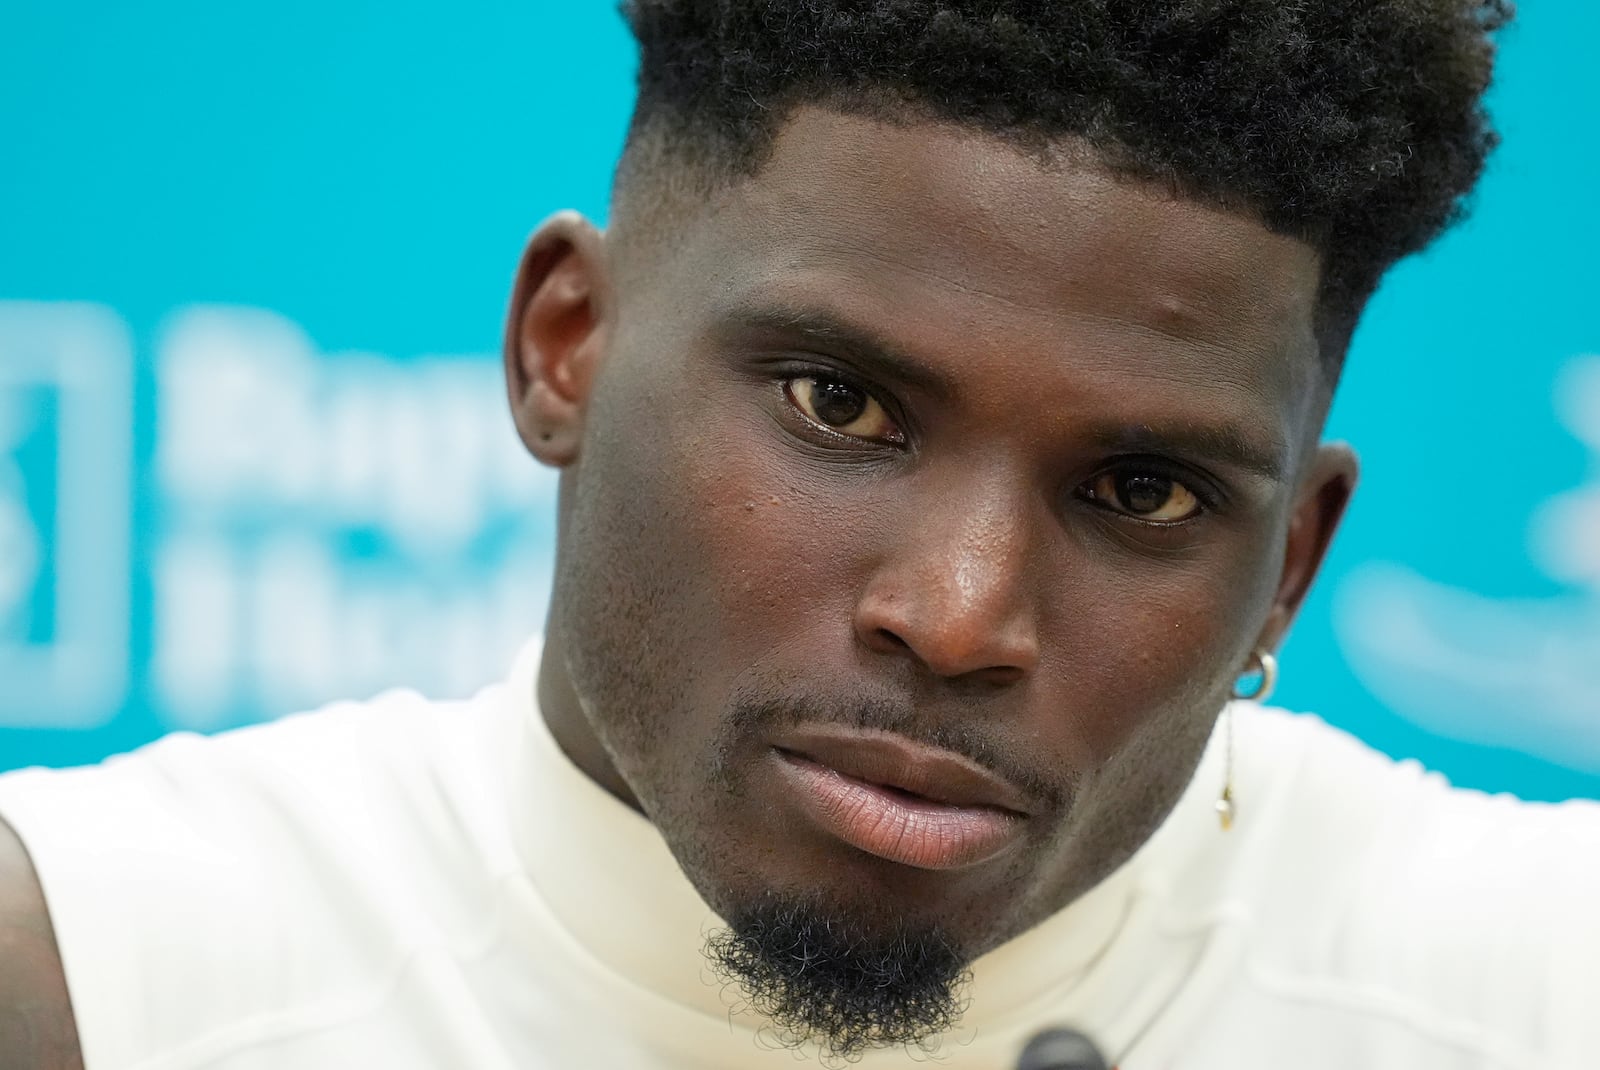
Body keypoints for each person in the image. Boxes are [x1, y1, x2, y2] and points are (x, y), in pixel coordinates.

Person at [2, 1, 1595, 1067]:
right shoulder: (89, 979)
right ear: (569, 345)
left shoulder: (1534, 991)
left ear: (1290, 569)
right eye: (840, 404)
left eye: (1144, 491)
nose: (963, 615)